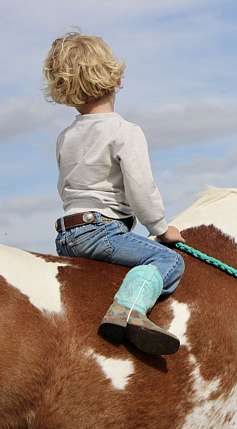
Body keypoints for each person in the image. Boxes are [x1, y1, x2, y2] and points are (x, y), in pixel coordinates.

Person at [43, 32, 185, 356]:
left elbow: (67, 187)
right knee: (169, 261)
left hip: (66, 234)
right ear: (117, 77)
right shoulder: (125, 132)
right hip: (101, 230)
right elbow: (141, 190)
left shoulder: (65, 137)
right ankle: (130, 309)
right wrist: (160, 229)